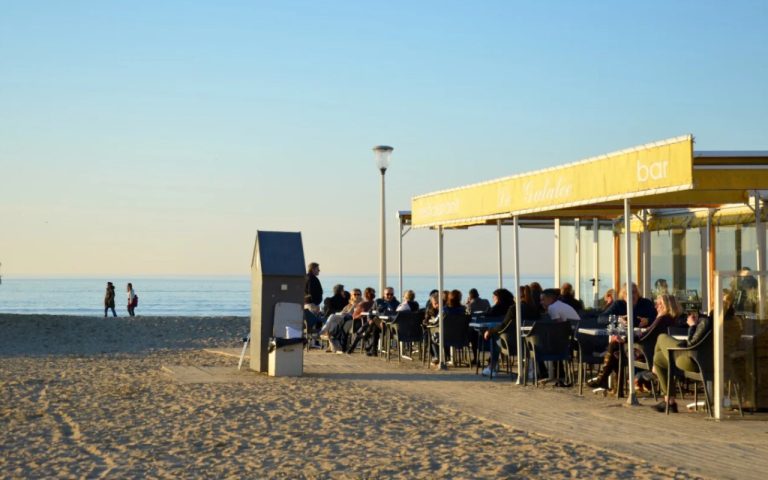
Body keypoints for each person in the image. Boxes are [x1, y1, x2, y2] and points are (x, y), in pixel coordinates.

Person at [588, 293, 681, 390]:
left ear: (666, 305)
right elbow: (651, 334)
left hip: (646, 353)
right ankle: (609, 383)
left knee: (615, 347)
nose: (656, 306)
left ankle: (607, 382)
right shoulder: (673, 319)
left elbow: (647, 336)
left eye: (659, 303)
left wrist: (625, 339)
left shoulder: (661, 319)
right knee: (616, 349)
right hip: (658, 352)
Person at [651, 304, 716, 413]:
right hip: (708, 361)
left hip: (693, 361)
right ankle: (669, 402)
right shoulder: (731, 323)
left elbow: (691, 344)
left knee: (661, 337)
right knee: (658, 359)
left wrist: (692, 325)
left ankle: (654, 370)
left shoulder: (706, 322)